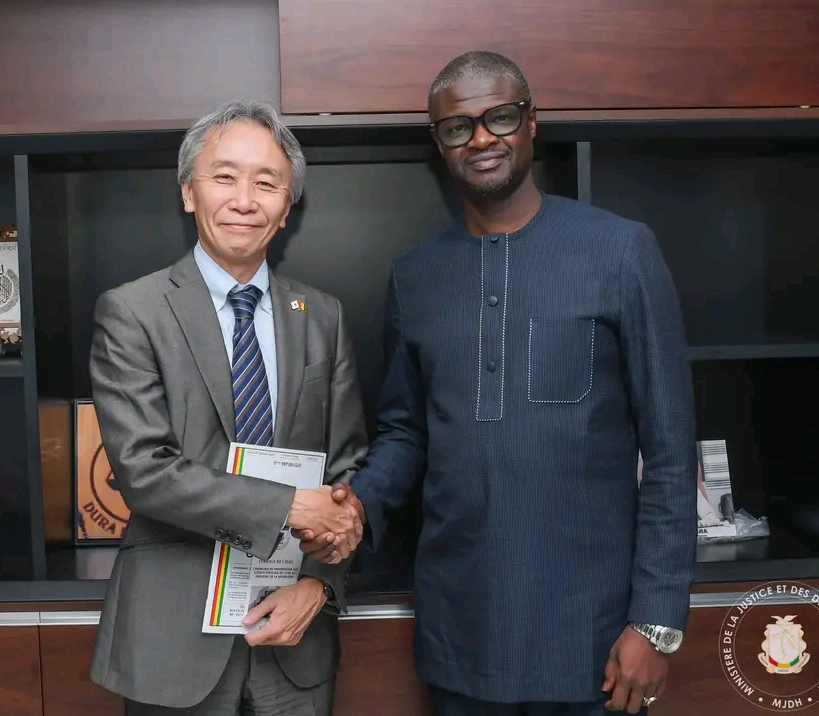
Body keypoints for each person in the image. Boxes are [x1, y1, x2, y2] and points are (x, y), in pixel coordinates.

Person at [299, 51, 698, 715]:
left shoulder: (620, 251)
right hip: (459, 631)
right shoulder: (415, 276)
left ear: (531, 122)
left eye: (500, 118)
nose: (481, 138)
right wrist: (357, 507)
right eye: (458, 127)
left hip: (594, 637)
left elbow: (670, 449)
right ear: (439, 143)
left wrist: (656, 620)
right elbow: (405, 431)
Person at [88, 100, 369, 716]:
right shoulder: (132, 312)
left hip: (295, 641)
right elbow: (144, 471)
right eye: (224, 177)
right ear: (188, 192)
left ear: (287, 208)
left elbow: (347, 470)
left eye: (266, 183)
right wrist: (290, 506)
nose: (245, 200)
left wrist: (320, 585)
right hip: (174, 639)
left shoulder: (322, 316)